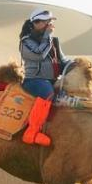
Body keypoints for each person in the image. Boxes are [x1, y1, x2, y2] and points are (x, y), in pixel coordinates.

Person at [19, 8, 71, 146]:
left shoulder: (53, 42)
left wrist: (75, 64)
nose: (48, 25)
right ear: (35, 23)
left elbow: (63, 60)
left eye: (49, 22)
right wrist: (47, 35)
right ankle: (32, 132)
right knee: (49, 94)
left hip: (53, 80)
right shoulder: (26, 42)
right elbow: (39, 55)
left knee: (72, 96)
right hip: (34, 81)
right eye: (45, 22)